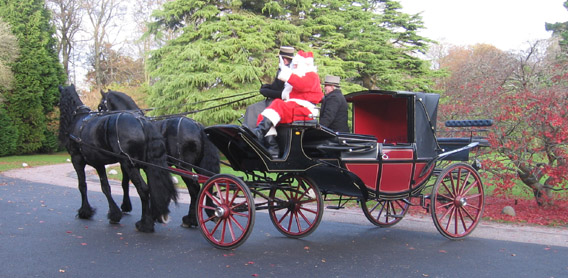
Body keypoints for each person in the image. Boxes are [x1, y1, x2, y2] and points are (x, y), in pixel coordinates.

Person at [252, 50, 323, 158]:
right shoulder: (296, 75)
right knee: (263, 116)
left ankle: (259, 133)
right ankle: (272, 148)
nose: (293, 66)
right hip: (295, 107)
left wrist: (288, 76)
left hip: (305, 110)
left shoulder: (312, 76)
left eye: (296, 64)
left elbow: (302, 85)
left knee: (278, 105)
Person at [243, 46, 295, 128]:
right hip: (275, 100)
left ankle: (251, 133)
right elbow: (277, 87)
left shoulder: (288, 72)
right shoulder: (283, 69)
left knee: (252, 109)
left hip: (281, 103)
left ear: (284, 59)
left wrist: (267, 92)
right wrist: (268, 87)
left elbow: (284, 94)